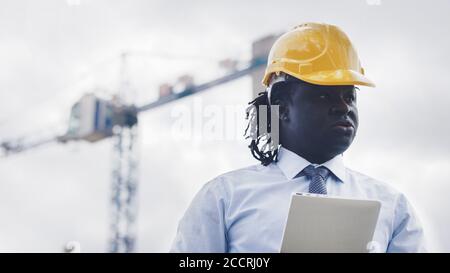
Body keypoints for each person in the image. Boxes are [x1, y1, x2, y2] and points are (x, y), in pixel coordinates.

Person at [170, 22, 426, 253]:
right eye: (324, 95)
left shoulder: (392, 207)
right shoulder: (224, 199)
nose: (343, 107)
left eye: (349, 96)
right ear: (280, 104)